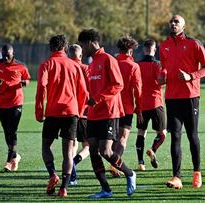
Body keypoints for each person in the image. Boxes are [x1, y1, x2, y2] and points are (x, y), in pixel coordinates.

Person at [78, 28, 136, 199]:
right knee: (93, 151)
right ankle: (106, 190)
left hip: (109, 112)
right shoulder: (92, 63)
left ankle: (129, 173)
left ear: (89, 43)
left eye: (82, 44)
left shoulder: (109, 59)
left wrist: (97, 99)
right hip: (94, 114)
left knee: (106, 151)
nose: (82, 48)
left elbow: (118, 85)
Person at [159, 15, 205, 189]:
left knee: (192, 135)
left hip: (190, 96)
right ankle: (177, 177)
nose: (173, 24)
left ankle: (197, 172)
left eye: (177, 22)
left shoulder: (194, 44)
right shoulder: (164, 46)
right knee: (175, 136)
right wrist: (162, 77)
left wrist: (191, 76)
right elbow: (164, 68)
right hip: (172, 97)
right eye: (171, 22)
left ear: (184, 25)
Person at [35, 35, 88, 197]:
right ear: (65, 48)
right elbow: (83, 92)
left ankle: (52, 174)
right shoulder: (75, 65)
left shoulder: (46, 65)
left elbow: (41, 88)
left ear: (51, 48)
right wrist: (79, 112)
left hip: (52, 112)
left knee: (46, 146)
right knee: (68, 153)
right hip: (71, 112)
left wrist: (39, 111)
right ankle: (64, 188)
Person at [0, 44, 31, 172]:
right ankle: (15, 156)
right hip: (1, 103)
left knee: (12, 131)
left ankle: (9, 161)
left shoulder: (21, 66)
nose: (5, 57)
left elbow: (27, 78)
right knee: (6, 131)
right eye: (3, 54)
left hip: (16, 103)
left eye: (7, 54)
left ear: (13, 53)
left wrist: (25, 82)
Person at [109, 35, 142, 177]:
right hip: (127, 108)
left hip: (111, 107)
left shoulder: (112, 63)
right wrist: (139, 109)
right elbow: (138, 90)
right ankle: (114, 165)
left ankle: (112, 163)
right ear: (130, 51)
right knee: (123, 138)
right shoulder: (134, 66)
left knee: (113, 138)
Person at [135, 39, 166, 171]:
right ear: (154, 49)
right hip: (156, 102)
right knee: (162, 133)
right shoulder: (158, 64)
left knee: (141, 132)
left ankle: (141, 163)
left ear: (143, 49)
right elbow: (161, 82)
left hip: (142, 104)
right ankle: (152, 149)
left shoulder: (137, 65)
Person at [66, 44, 90, 185]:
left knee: (71, 145)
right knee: (87, 146)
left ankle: (71, 177)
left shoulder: (66, 68)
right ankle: (74, 163)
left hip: (69, 110)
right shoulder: (86, 68)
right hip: (84, 112)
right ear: (80, 56)